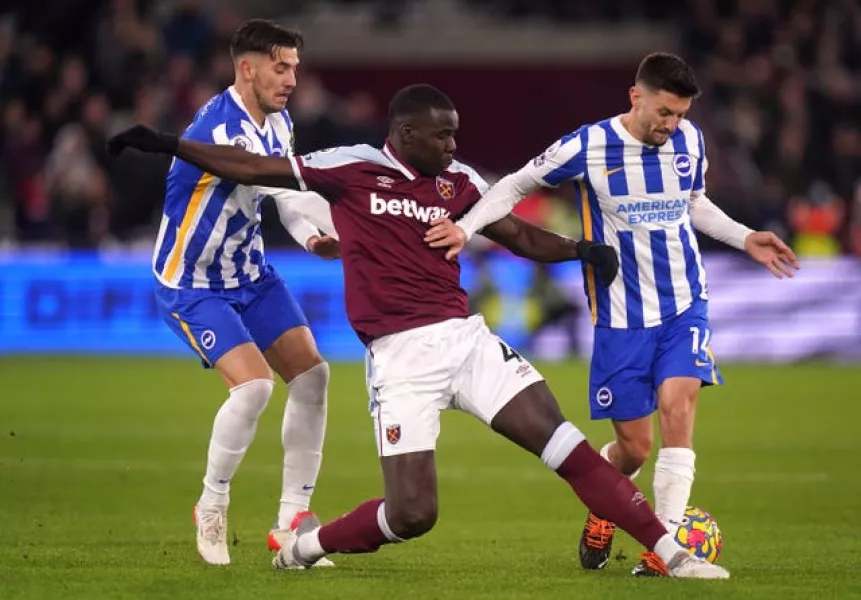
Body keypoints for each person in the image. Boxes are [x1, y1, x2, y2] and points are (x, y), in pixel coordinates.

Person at [107, 83, 730, 579]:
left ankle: (673, 553)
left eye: (455, 135)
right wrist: (169, 143)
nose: (454, 146)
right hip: (401, 359)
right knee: (412, 514)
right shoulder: (349, 170)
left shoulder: (459, 186)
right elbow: (249, 165)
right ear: (406, 134)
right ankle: (302, 548)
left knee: (565, 446)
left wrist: (580, 250)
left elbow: (517, 234)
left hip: (468, 340)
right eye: (443, 136)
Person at [423, 52, 800, 576]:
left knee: (678, 407)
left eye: (681, 115)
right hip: (621, 316)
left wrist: (743, 237)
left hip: (685, 303)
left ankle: (664, 551)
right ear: (635, 97)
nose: (672, 126)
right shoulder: (588, 145)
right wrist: (465, 228)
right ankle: (605, 511)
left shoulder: (689, 141)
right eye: (664, 113)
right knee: (633, 447)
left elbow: (692, 203)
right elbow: (514, 185)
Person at [146, 19, 341, 566]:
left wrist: (313, 235)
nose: (292, 80)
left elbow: (287, 196)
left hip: (249, 273)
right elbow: (269, 180)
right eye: (281, 68)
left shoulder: (276, 123)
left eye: (296, 68)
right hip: (192, 283)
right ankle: (212, 503)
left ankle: (290, 523)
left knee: (312, 375)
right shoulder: (219, 130)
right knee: (254, 388)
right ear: (247, 68)